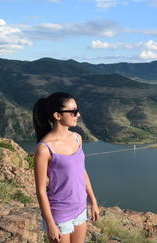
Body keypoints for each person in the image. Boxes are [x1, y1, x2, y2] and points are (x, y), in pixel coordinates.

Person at [33, 92, 100, 243]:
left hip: (80, 207)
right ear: (57, 115)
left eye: (77, 110)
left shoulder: (77, 138)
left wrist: (93, 201)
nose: (78, 114)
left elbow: (81, 172)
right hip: (59, 213)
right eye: (73, 111)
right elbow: (41, 190)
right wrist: (50, 223)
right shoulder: (44, 149)